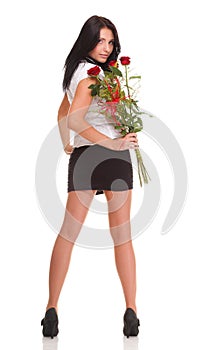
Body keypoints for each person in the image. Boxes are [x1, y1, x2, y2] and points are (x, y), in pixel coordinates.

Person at [41, 15, 140, 339]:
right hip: (111, 154)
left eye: (111, 42)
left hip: (86, 156)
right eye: (100, 41)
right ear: (88, 40)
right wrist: (114, 141)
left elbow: (64, 114)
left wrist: (66, 143)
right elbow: (74, 119)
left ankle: (51, 309)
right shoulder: (92, 78)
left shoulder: (78, 74)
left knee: (68, 233)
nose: (106, 48)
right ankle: (131, 310)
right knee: (121, 237)